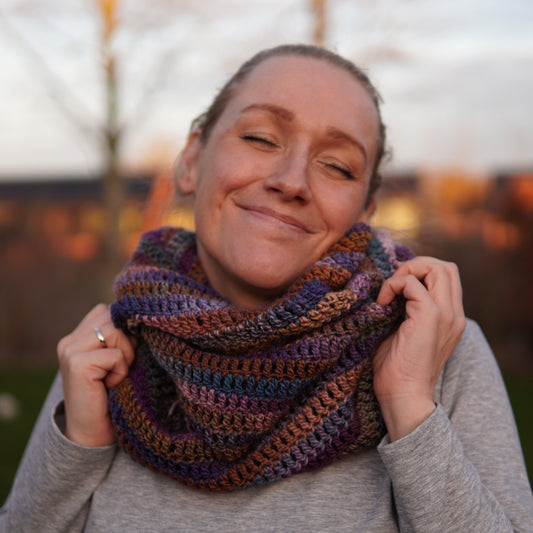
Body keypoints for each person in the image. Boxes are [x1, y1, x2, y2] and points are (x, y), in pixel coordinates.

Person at [1, 44, 532, 533]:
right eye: (259, 137)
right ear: (190, 161)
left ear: (363, 214)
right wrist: (80, 442)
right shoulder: (112, 348)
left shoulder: (434, 347)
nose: (293, 180)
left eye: (338, 166)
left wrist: (410, 408)